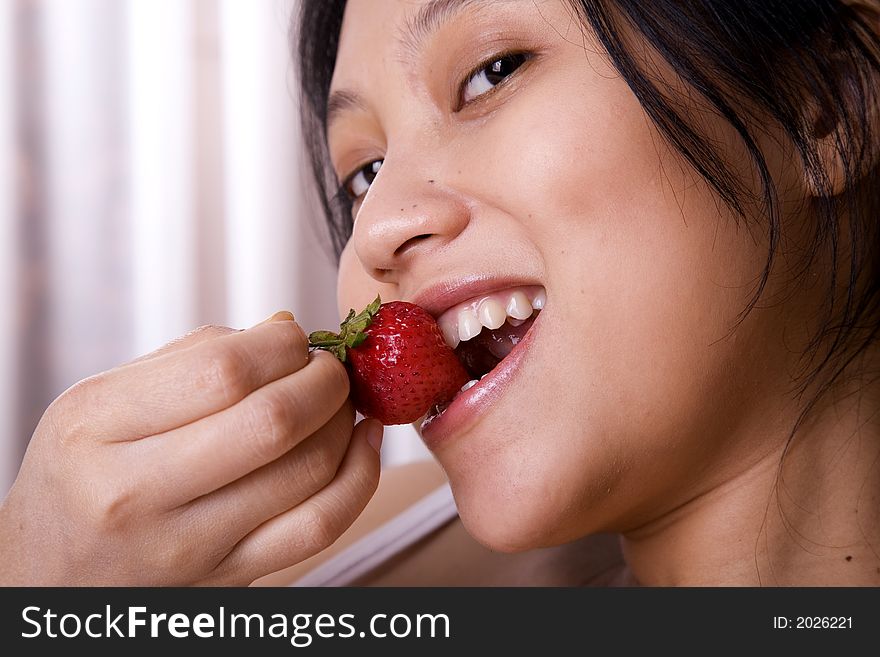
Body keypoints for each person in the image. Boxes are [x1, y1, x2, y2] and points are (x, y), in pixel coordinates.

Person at [2, 0, 879, 586]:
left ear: (823, 106)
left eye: (493, 71)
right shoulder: (268, 574)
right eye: (364, 170)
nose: (378, 227)